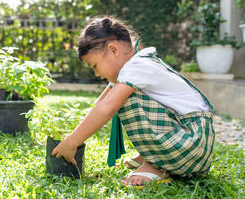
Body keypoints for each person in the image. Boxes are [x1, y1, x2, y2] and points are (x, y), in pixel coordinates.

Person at [52, 16, 215, 188]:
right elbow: (100, 105)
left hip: (189, 143)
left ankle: (157, 167)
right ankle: (152, 156)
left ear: (113, 50)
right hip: (193, 145)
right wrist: (75, 131)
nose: (97, 74)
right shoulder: (137, 66)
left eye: (94, 66)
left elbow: (107, 107)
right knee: (119, 94)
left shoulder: (136, 68)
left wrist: (72, 142)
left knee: (123, 98)